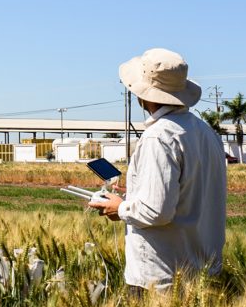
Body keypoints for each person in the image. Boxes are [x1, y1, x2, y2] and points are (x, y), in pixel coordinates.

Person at [89, 48, 227, 292]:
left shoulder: (159, 137)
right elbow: (187, 192)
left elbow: (157, 212)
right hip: (204, 273)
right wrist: (135, 195)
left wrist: (119, 208)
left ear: (144, 95)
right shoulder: (206, 132)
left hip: (161, 277)